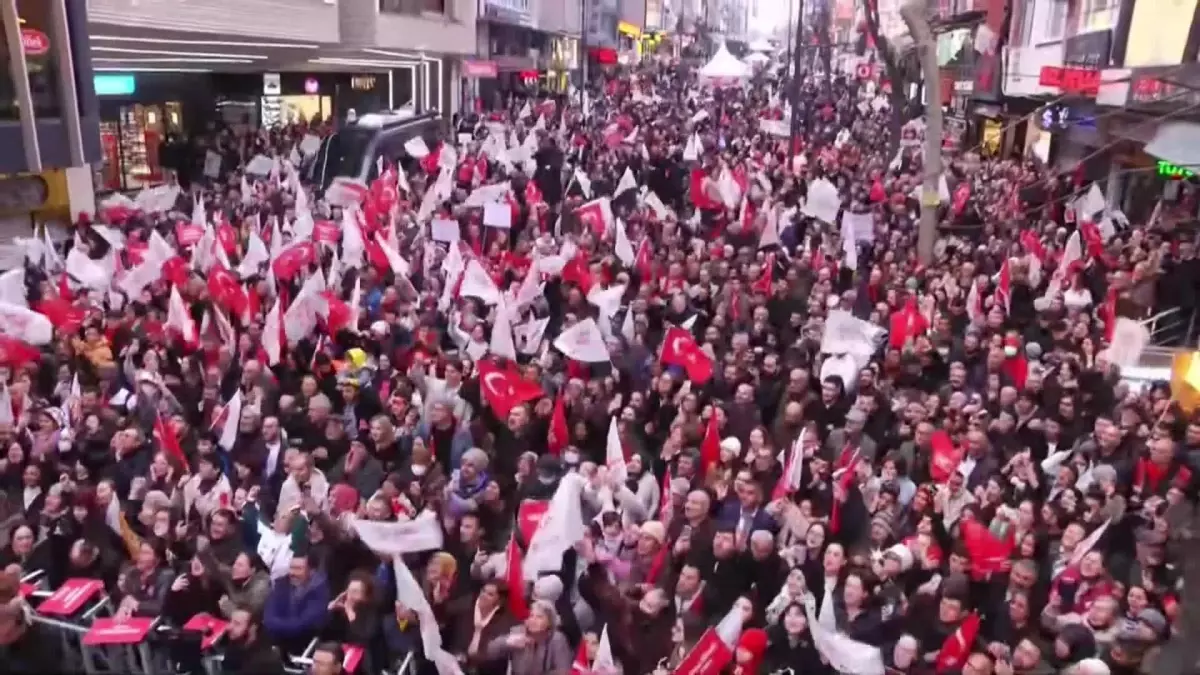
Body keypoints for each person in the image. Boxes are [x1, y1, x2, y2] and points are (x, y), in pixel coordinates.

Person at [222, 605, 286, 675]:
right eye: (230, 621)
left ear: (253, 628)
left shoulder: (265, 661)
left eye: (237, 624)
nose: (229, 627)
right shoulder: (234, 646)